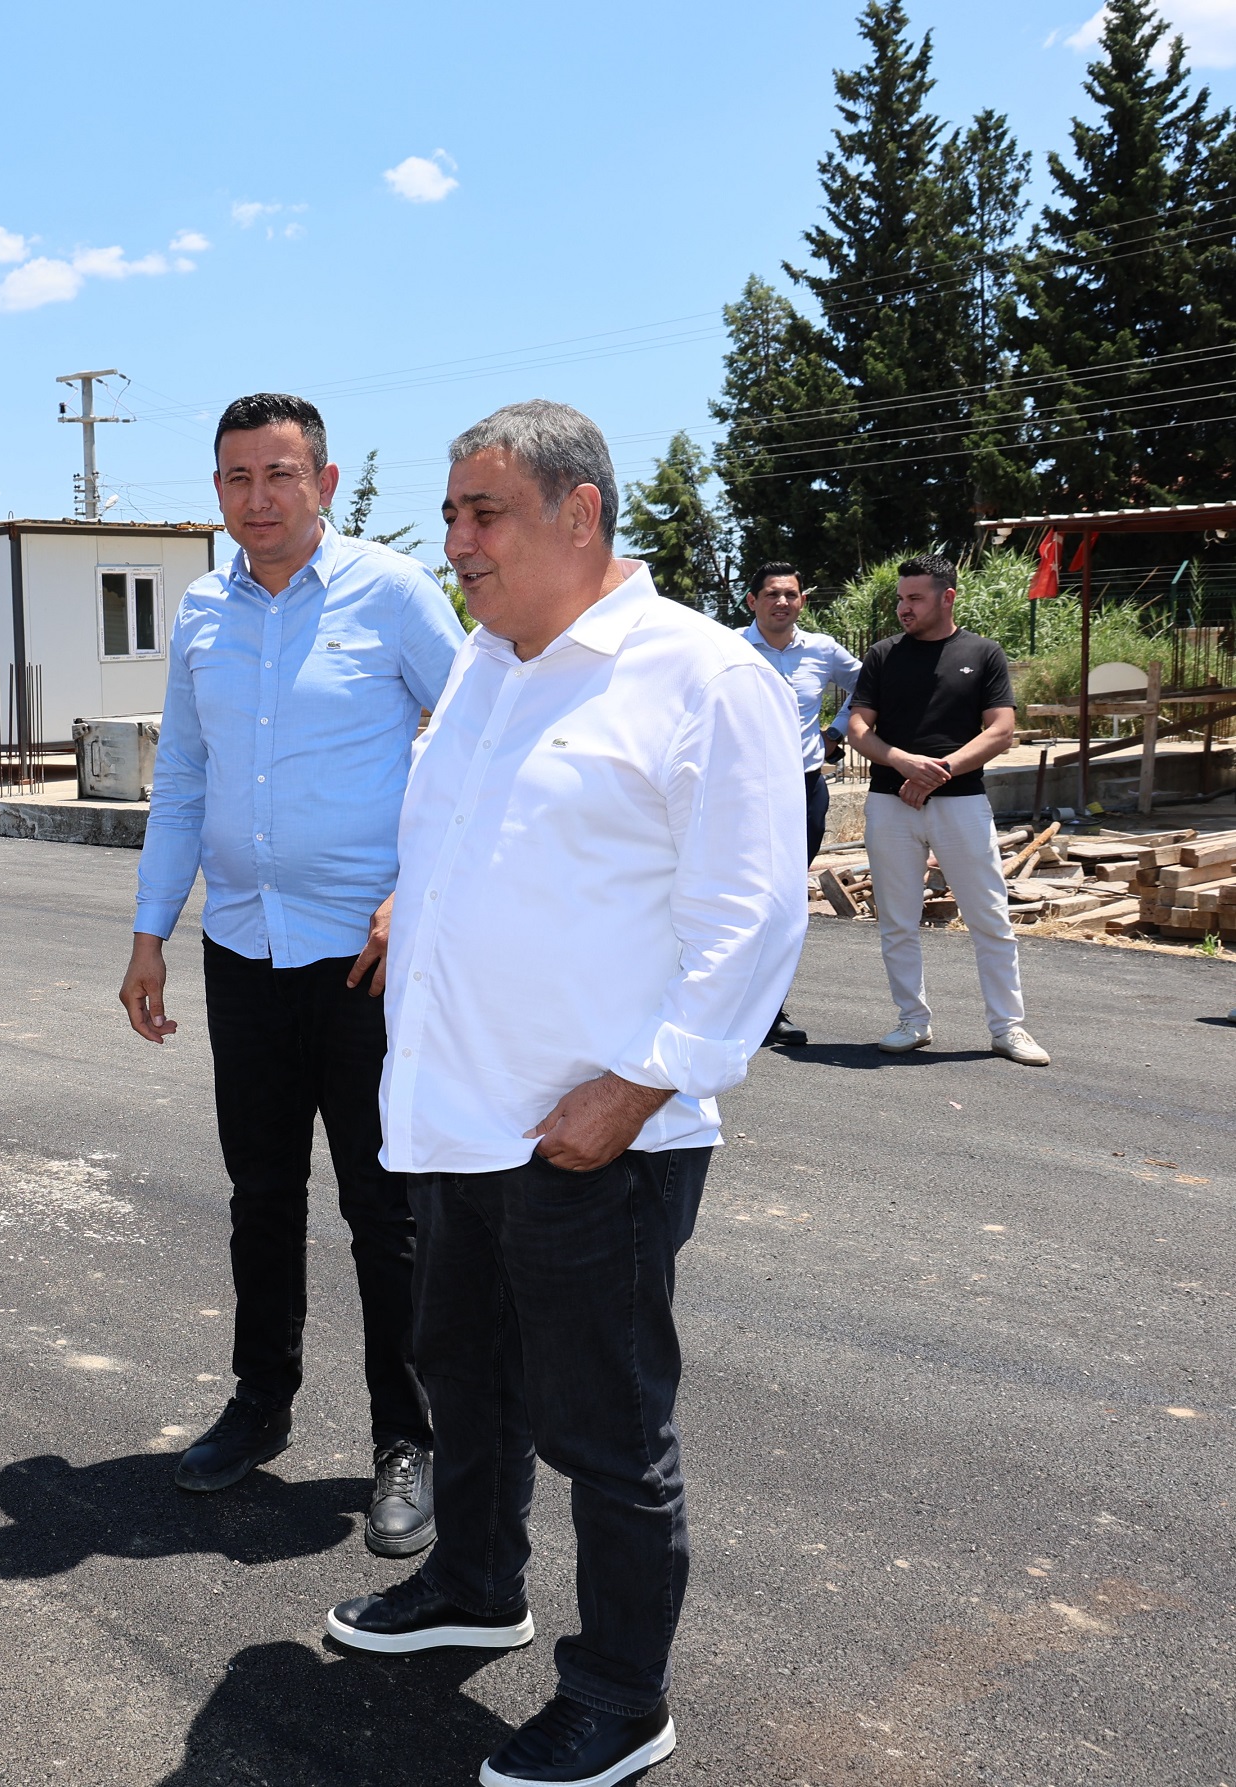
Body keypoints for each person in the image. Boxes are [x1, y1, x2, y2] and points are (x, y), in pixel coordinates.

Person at [321, 401, 806, 1787]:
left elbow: (752, 912)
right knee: (467, 1376)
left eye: (483, 514)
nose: (458, 543)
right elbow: (485, 838)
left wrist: (642, 1084)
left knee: (606, 1428)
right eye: (451, 515)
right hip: (460, 1116)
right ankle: (475, 1584)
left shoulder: (700, 675)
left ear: (579, 513)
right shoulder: (487, 667)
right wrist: (418, 908)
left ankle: (619, 1696)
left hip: (594, 1136)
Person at [118, 392, 465, 1558]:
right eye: (236, 478)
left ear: (322, 480)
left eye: (279, 475)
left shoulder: (393, 593)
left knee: (385, 1209)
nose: (257, 498)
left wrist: (417, 889)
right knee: (260, 1194)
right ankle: (260, 1400)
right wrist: (150, 930)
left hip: (366, 959)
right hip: (243, 948)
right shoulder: (202, 613)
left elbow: (478, 740)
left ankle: (407, 1437)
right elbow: (182, 781)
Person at [843, 555, 1048, 1066]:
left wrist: (940, 771)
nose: (903, 608)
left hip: (961, 804)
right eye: (900, 598)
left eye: (915, 598)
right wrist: (903, 762)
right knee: (897, 920)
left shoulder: (983, 653)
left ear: (947, 597)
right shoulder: (883, 655)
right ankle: (911, 1021)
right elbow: (859, 728)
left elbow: (1001, 730)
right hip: (890, 804)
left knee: (989, 917)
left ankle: (1008, 1028)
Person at [740, 561, 863, 1047]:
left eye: (791, 594)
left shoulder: (822, 649)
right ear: (752, 601)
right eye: (772, 594)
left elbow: (869, 684)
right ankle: (728, 1005)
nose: (782, 602)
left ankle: (770, 1011)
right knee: (742, 896)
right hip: (745, 792)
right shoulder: (728, 647)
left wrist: (836, 731)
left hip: (804, 788)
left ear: (802, 601)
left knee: (787, 902)